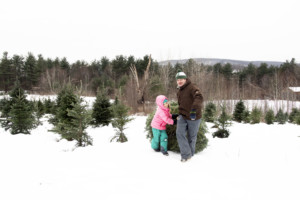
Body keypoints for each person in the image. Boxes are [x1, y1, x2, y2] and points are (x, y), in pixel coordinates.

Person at [175, 70, 203, 162]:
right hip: (182, 116)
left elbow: (199, 97)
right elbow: (181, 103)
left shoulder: (192, 87)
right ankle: (186, 155)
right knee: (180, 133)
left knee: (192, 137)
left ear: (185, 79)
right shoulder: (179, 91)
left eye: (181, 79)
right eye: (178, 80)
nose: (179, 81)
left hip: (193, 116)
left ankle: (191, 154)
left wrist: (194, 110)